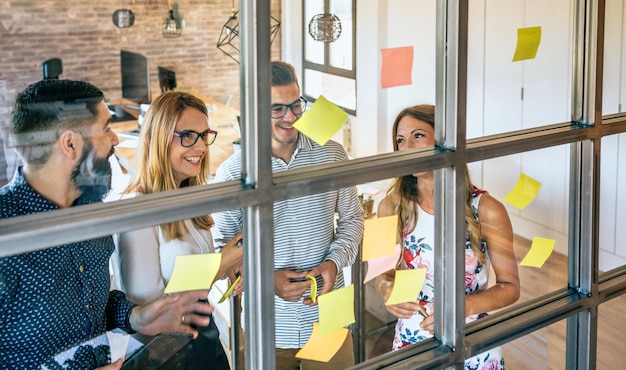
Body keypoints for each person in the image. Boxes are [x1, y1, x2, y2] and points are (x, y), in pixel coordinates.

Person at [0, 79, 214, 370]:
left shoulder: (92, 212)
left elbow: (95, 305)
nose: (115, 140)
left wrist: (134, 316)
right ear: (71, 143)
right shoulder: (6, 233)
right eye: (105, 129)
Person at [211, 61, 364, 370]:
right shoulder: (232, 173)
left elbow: (353, 219)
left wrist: (335, 263)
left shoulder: (332, 154)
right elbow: (221, 251)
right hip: (267, 323)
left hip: (329, 314)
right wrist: (266, 281)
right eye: (277, 109)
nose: (291, 117)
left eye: (296, 105)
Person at [375, 104, 520, 369]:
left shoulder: (487, 209)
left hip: (471, 341)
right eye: (400, 140)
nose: (406, 147)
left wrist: (459, 308)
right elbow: (382, 275)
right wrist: (386, 290)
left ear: (445, 141)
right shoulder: (388, 207)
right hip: (412, 339)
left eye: (418, 136)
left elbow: (511, 289)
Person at [111, 91, 243, 370]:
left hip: (203, 340)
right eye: (188, 136)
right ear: (159, 139)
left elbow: (185, 268)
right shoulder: (138, 208)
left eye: (204, 135)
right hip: (170, 355)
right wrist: (219, 266)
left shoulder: (186, 195)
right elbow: (149, 308)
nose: (201, 147)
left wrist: (227, 264)